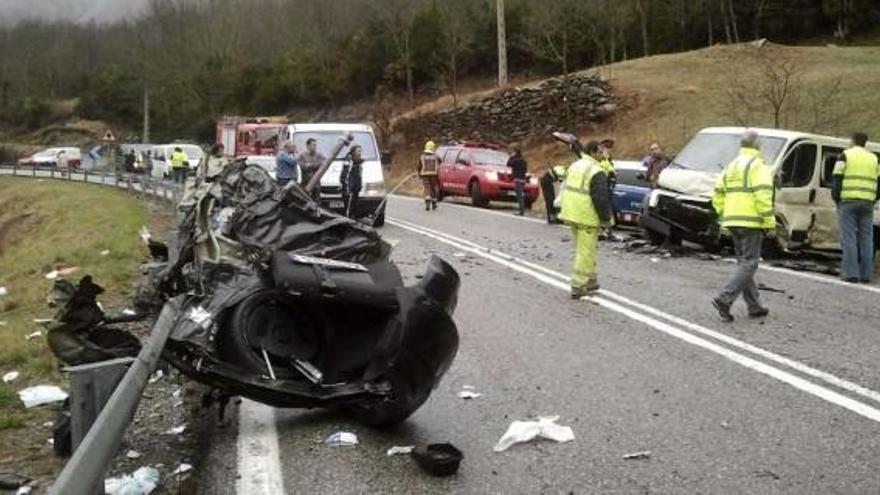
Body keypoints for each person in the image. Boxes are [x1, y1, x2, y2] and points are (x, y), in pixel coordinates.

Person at [710, 130, 774, 322]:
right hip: (751, 220)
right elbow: (763, 195)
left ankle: (754, 306)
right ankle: (725, 298)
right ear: (757, 145)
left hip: (732, 219)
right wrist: (769, 221)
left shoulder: (732, 165)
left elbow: (718, 193)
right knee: (750, 263)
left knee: (744, 263)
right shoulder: (758, 166)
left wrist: (723, 213)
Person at [559, 140, 613, 299]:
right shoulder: (596, 170)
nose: (604, 155)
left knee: (585, 249)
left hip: (571, 213)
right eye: (601, 151)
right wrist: (606, 219)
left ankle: (591, 280)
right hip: (586, 215)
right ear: (594, 152)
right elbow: (600, 198)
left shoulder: (576, 165)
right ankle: (578, 285)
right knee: (585, 251)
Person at [832, 131, 879, 283]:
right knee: (867, 238)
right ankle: (866, 275)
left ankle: (851, 274)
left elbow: (837, 178)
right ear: (865, 142)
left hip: (848, 202)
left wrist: (837, 198)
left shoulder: (844, 155)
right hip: (867, 203)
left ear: (852, 141)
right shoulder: (874, 159)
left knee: (849, 238)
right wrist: (873, 199)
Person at [340, 145, 364, 219]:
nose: (360, 153)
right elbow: (345, 175)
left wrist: (359, 185)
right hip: (349, 188)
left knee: (354, 206)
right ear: (353, 152)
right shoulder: (349, 161)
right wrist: (348, 186)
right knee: (348, 208)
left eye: (360, 151)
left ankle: (352, 219)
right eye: (358, 151)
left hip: (356, 188)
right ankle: (347, 220)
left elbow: (359, 174)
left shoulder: (359, 162)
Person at [418, 140, 441, 211]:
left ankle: (427, 203)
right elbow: (440, 162)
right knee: (433, 189)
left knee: (427, 188)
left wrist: (419, 174)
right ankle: (434, 203)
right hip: (434, 175)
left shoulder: (422, 157)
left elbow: (419, 166)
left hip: (425, 175)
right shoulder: (436, 157)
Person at [507, 146, 528, 216]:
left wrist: (511, 157)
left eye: (513, 152)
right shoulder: (524, 160)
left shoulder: (515, 160)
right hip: (523, 179)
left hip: (517, 179)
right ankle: (521, 210)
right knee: (521, 194)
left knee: (519, 196)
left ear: (515, 153)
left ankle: (521, 211)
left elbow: (508, 164)